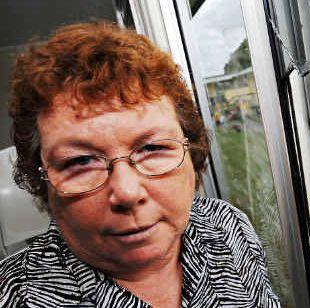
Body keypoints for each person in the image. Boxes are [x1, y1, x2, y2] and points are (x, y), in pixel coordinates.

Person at [0, 22, 280, 307]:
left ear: (191, 150)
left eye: (153, 148)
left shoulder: (228, 226)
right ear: (42, 182)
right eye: (81, 161)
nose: (127, 192)